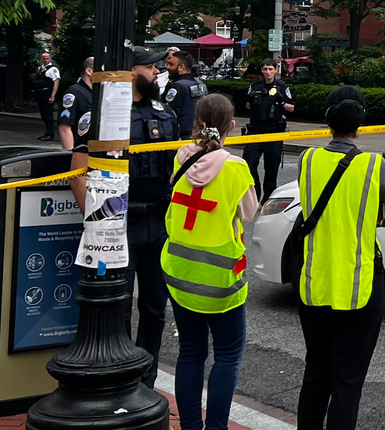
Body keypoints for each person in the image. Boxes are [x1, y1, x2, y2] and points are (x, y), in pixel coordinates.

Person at [296, 86, 385, 430]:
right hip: (360, 281)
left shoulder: (306, 160)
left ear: (326, 122)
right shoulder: (373, 165)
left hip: (315, 281)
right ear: (362, 124)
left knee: (316, 371)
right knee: (348, 379)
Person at [162, 94, 258, 430]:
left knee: (190, 353)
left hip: (179, 272)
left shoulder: (182, 157)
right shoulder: (235, 168)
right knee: (228, 355)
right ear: (231, 126)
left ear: (196, 124)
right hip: (220, 280)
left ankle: (190, 426)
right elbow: (249, 214)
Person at [125, 47, 181, 388]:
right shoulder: (110, 111)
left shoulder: (165, 110)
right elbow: (80, 168)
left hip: (158, 221)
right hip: (121, 221)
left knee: (155, 306)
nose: (157, 71)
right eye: (150, 66)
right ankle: (116, 372)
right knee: (115, 307)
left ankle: (146, 378)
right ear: (132, 72)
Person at [243, 59, 294, 199]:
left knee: (271, 168)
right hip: (255, 131)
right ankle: (255, 194)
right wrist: (250, 99)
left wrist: (281, 100)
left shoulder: (282, 86)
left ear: (275, 70)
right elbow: (247, 107)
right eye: (265, 69)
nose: (268, 72)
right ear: (262, 70)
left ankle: (267, 198)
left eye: (270, 69)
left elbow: (291, 108)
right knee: (249, 164)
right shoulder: (255, 86)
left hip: (274, 132)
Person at [59, 57, 95, 203]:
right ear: (89, 71)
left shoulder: (96, 93)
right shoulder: (74, 93)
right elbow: (65, 127)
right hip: (80, 157)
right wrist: (70, 155)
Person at [165, 50, 209, 140]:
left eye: (171, 64)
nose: (168, 67)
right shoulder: (200, 83)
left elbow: (168, 112)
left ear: (181, 67)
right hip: (199, 133)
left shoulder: (177, 86)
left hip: (182, 136)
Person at [35, 51, 61, 141]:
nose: (45, 60)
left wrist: (53, 96)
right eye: (44, 58)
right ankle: (46, 133)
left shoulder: (53, 69)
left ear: (50, 59)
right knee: (43, 115)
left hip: (47, 93)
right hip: (40, 93)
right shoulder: (40, 69)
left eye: (47, 58)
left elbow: (56, 83)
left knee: (48, 115)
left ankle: (50, 134)